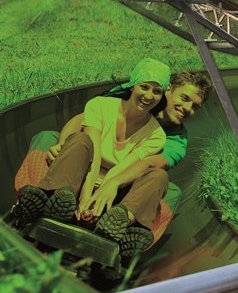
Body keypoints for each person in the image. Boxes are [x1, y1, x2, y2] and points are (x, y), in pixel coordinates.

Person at [14, 62, 212, 257]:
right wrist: (63, 144)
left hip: (123, 182)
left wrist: (111, 185)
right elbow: (82, 121)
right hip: (86, 161)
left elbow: (147, 164)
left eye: (195, 106)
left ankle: (129, 230)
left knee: (169, 188)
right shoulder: (126, 95)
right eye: (184, 98)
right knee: (48, 137)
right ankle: (36, 197)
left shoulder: (174, 141)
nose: (187, 108)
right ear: (168, 89)